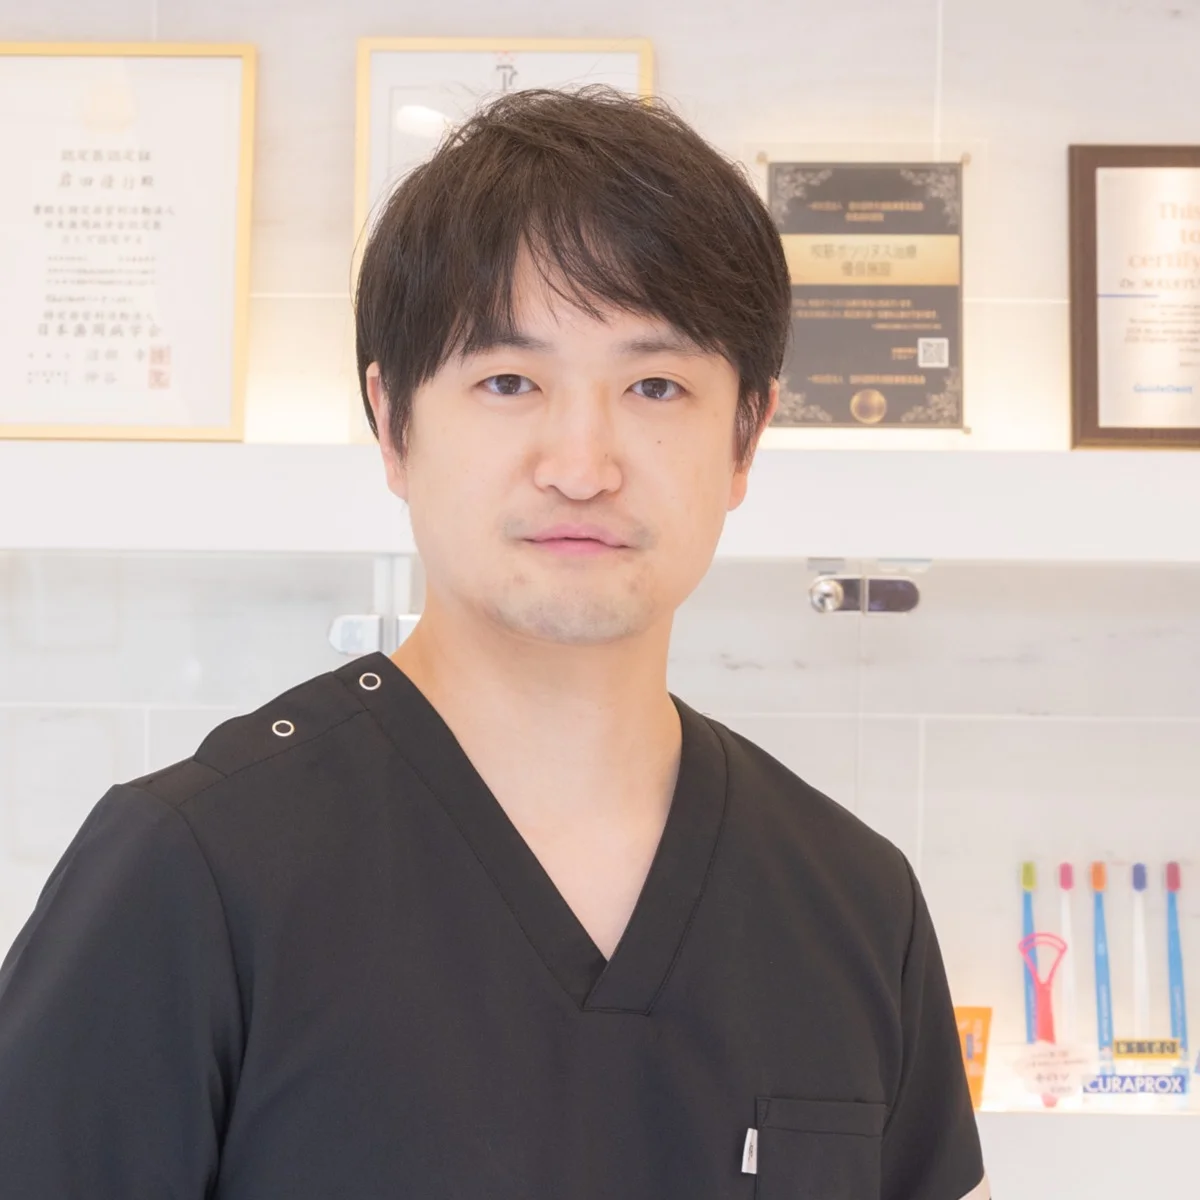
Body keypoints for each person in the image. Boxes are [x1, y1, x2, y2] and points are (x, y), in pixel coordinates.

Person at [0, 87, 987, 1199]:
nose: (582, 464)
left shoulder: (858, 906)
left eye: (655, 385)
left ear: (747, 435)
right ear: (392, 424)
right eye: (509, 381)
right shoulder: (189, 875)